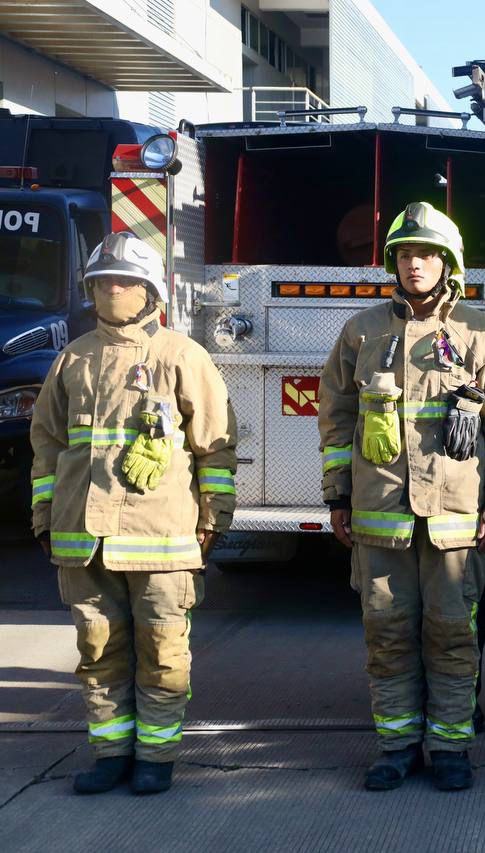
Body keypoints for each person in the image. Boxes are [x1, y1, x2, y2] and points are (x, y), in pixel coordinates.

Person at [318, 202, 485, 792]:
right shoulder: (361, 332)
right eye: (406, 254)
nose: (415, 264)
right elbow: (335, 420)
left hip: (456, 520)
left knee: (452, 632)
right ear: (393, 263)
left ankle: (452, 747)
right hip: (380, 517)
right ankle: (397, 747)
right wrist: (337, 494)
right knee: (387, 633)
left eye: (426, 254)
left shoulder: (480, 333)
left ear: (448, 264)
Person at [29, 231, 238, 795]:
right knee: (98, 652)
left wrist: (214, 516)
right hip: (83, 539)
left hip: (162, 539)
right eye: (102, 283)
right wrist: (45, 513)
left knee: (164, 654)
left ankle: (156, 757)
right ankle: (111, 753)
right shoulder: (73, 358)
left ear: (149, 292)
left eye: (123, 282)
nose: (112, 291)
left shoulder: (181, 355)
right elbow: (46, 444)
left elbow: (215, 445)